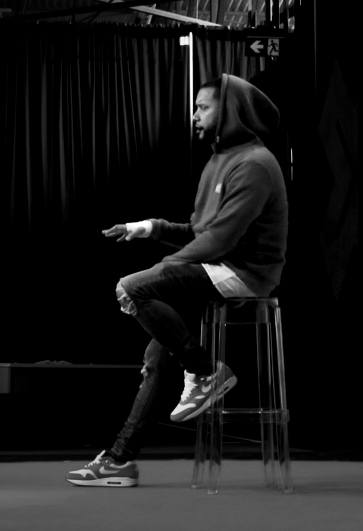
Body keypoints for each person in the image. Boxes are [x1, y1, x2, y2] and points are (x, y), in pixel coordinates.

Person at [67, 73, 288, 487]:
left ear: (232, 111)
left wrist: (162, 271)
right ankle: (119, 460)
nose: (194, 115)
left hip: (245, 274)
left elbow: (221, 239)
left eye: (203, 107)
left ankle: (206, 370)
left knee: (133, 286)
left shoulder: (256, 165)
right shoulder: (219, 161)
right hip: (214, 269)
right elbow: (200, 230)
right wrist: (148, 227)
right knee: (156, 358)